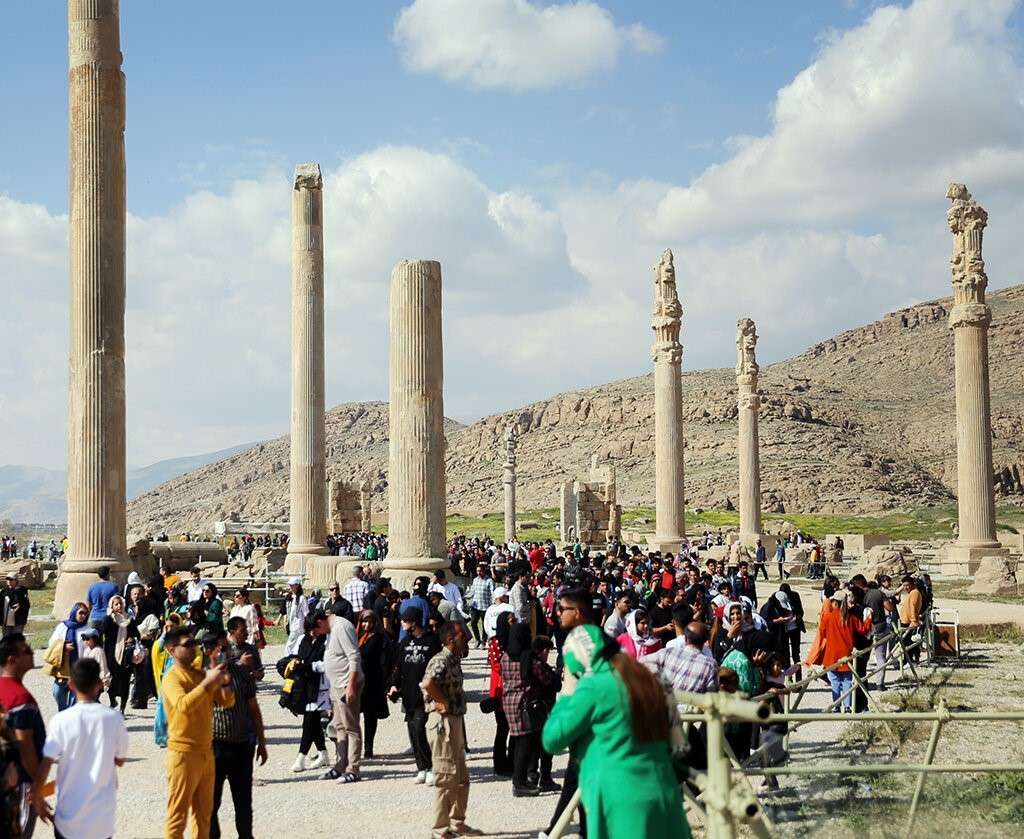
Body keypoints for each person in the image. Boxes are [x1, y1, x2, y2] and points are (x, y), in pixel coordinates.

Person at [542, 624, 690, 839]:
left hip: (620, 801)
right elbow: (679, 744)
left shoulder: (594, 685)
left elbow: (552, 740)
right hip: (664, 792)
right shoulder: (653, 674)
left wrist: (568, 689)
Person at [31, 658, 128, 839]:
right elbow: (120, 759)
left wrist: (37, 796)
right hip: (101, 822)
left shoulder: (61, 720)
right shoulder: (114, 719)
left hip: (67, 821)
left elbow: (46, 762)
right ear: (99, 684)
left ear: (70, 684)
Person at [161, 625, 235, 839]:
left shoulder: (199, 673)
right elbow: (182, 705)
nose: (194, 648)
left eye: (194, 643)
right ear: (172, 650)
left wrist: (224, 683)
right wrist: (208, 682)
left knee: (203, 816)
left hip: (206, 751)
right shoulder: (173, 677)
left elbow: (226, 701)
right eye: (188, 644)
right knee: (177, 816)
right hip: (182, 753)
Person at [422, 621, 479, 839]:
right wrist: (441, 701)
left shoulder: (455, 660)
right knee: (445, 777)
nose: (465, 639)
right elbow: (427, 683)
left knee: (462, 777)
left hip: (455, 720)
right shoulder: (441, 659)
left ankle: (457, 821)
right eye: (462, 636)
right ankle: (440, 828)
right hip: (442, 723)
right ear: (450, 639)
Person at [207, 630, 267, 839]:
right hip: (213, 749)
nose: (225, 652)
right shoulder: (201, 677)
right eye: (221, 648)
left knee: (243, 804)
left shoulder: (241, 673)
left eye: (227, 647)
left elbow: (253, 709)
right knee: (210, 805)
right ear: (210, 651)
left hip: (242, 746)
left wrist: (262, 742)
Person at [501, 622, 558, 797]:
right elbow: (547, 679)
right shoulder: (528, 658)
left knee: (518, 742)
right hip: (525, 704)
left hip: (509, 701)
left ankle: (522, 779)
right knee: (526, 744)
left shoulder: (505, 656)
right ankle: (519, 783)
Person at [390, 606, 441, 784]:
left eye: (405, 620)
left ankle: (432, 766)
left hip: (426, 695)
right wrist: (394, 685)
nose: (402, 623)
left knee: (421, 730)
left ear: (415, 621)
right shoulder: (404, 643)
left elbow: (438, 667)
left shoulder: (432, 641)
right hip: (408, 693)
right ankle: (422, 767)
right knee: (412, 732)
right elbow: (397, 667)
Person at [0, 632, 44, 838]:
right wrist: (37, 787)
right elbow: (26, 748)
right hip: (19, 788)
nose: (32, 652)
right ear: (12, 659)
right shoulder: (20, 698)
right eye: (26, 650)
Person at [810, 589, 872, 712]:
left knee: (835, 682)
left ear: (835, 602)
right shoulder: (851, 618)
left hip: (831, 655)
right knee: (847, 682)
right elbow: (863, 630)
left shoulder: (828, 617)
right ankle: (847, 706)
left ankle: (836, 706)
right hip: (846, 654)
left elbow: (822, 633)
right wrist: (868, 619)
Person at [320, 602, 362, 782]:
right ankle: (340, 764)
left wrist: (351, 686)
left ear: (321, 622)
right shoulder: (329, 631)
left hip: (346, 684)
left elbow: (354, 656)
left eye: (316, 630)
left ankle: (353, 768)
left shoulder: (342, 627)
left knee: (351, 727)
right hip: (335, 685)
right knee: (338, 726)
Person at [292, 612, 331, 774]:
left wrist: (309, 666)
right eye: (309, 630)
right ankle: (323, 753)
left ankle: (301, 757)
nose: (312, 633)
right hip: (304, 686)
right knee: (312, 721)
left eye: (314, 629)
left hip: (321, 686)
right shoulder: (304, 640)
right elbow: (295, 655)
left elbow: (328, 663)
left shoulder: (328, 640)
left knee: (309, 721)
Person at [356, 610, 391, 761]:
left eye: (370, 621)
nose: (367, 624)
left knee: (370, 717)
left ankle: (368, 748)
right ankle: (354, 748)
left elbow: (372, 655)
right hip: (357, 681)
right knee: (353, 716)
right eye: (364, 621)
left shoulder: (379, 637)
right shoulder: (356, 636)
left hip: (372, 682)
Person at [45, 604, 90, 711]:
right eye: (81, 613)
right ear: (74, 612)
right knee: (58, 693)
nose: (83, 616)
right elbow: (52, 642)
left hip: (78, 670)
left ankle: (70, 717)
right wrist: (63, 646)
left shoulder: (87, 629)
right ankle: (63, 711)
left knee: (75, 700)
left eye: (85, 613)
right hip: (62, 669)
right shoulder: (63, 627)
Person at [101, 595, 138, 714]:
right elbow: (102, 630)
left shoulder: (129, 619)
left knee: (124, 681)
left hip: (125, 655)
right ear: (111, 606)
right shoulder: (109, 619)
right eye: (115, 604)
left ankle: (122, 708)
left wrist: (132, 638)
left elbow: (136, 633)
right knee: (111, 679)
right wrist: (108, 616)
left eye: (120, 604)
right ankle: (112, 701)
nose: (118, 606)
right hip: (111, 654)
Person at [226, 616, 264, 681]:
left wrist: (257, 673)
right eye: (242, 630)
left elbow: (260, 673)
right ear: (232, 632)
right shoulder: (223, 650)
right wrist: (240, 663)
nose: (246, 633)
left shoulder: (252, 649)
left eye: (246, 629)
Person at [85, 567, 118, 640]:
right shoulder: (113, 586)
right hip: (109, 617)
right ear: (108, 574)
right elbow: (116, 602)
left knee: (96, 642)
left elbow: (88, 605)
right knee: (110, 641)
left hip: (95, 617)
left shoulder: (92, 587)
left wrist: (87, 618)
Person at [467, 564, 494, 648]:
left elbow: (492, 593)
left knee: (484, 625)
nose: (479, 573)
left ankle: (483, 641)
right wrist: (464, 596)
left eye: (480, 571)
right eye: (477, 571)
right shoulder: (475, 580)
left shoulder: (489, 580)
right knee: (473, 622)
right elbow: (472, 592)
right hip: (475, 606)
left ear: (484, 571)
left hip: (485, 606)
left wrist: (493, 603)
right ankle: (477, 640)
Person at [284, 578, 308, 656]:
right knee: (296, 646)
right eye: (289, 585)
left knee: (289, 646)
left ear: (297, 585)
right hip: (292, 626)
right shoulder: (290, 597)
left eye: (292, 585)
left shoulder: (301, 598)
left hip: (298, 627)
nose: (290, 587)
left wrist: (307, 626)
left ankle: (287, 659)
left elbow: (306, 613)